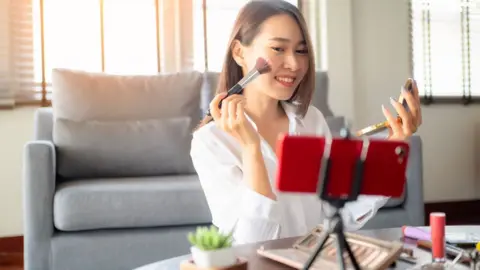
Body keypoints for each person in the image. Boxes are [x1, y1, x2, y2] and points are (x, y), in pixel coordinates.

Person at [190, 0, 422, 245]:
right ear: (239, 52)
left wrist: (394, 145)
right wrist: (251, 149)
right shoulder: (211, 142)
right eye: (278, 48)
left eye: (301, 51)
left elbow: (339, 212)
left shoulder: (311, 120)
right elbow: (254, 242)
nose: (294, 64)